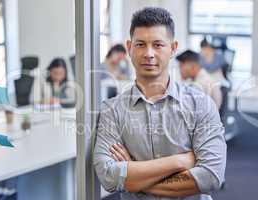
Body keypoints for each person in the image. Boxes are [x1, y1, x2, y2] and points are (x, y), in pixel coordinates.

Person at [94, 7, 226, 200]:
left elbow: (211, 177)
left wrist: (133, 176)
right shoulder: (112, 110)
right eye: (140, 44)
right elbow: (108, 177)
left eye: (157, 44)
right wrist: (180, 161)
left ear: (173, 48)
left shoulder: (201, 104)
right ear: (129, 48)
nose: (148, 53)